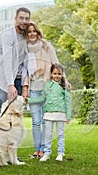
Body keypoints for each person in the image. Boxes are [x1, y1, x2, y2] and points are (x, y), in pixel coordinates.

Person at [22, 22, 64, 159]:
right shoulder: (25, 50)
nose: (32, 33)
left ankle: (45, 150)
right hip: (33, 89)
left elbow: (56, 64)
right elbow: (25, 71)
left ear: (38, 33)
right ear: (26, 35)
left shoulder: (46, 46)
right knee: (35, 121)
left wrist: (65, 80)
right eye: (29, 32)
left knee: (46, 120)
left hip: (46, 88)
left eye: (34, 31)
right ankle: (37, 150)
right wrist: (25, 88)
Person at [26, 63, 72, 162]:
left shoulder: (64, 87)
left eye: (59, 74)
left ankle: (60, 153)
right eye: (55, 73)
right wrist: (29, 100)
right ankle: (47, 153)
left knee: (60, 134)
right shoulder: (47, 85)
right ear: (51, 74)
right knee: (47, 135)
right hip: (48, 114)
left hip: (60, 114)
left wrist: (68, 116)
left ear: (62, 75)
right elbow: (42, 98)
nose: (57, 76)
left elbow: (68, 101)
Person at [0, 7, 31, 121]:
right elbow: (7, 61)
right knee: (1, 115)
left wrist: (25, 86)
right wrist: (10, 85)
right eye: (21, 18)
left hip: (18, 79)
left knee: (16, 116)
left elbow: (26, 63)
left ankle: (11, 139)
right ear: (15, 19)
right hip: (4, 80)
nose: (24, 21)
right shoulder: (7, 35)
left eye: (27, 19)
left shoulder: (27, 37)